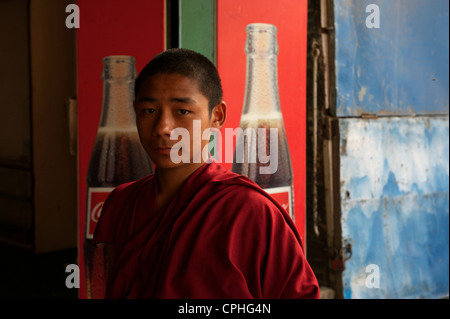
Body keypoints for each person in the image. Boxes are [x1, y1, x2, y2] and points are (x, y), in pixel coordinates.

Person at [93, 48, 320, 299]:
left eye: (182, 111)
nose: (163, 128)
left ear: (217, 115)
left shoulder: (250, 210)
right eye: (149, 111)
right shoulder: (122, 203)